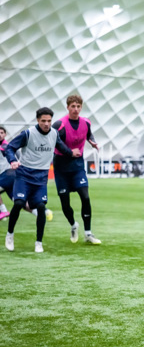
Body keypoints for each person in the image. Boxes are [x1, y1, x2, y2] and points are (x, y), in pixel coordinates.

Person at [5, 108, 81, 253]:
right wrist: (13, 160)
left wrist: (71, 152)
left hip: (41, 178)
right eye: (43, 121)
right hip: (24, 175)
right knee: (19, 203)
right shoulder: (28, 133)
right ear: (37, 120)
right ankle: (10, 235)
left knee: (41, 207)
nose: (46, 124)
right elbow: (10, 148)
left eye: (49, 121)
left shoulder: (54, 134)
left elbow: (61, 146)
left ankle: (38, 242)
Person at [52, 95, 101, 245]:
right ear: (67, 107)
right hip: (61, 167)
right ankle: (73, 225)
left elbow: (88, 133)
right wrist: (69, 152)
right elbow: (55, 142)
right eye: (73, 106)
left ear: (81, 107)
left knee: (85, 197)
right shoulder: (59, 125)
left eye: (78, 106)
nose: (75, 109)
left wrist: (92, 141)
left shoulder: (86, 122)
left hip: (77, 166)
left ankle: (88, 233)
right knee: (65, 203)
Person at [0, 126, 53, 222]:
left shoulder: (4, 146)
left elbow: (8, 152)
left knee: (20, 200)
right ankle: (43, 213)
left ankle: (3, 211)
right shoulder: (9, 145)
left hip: (8, 175)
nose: (0, 135)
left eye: (1, 133)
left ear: (5, 134)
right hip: (11, 176)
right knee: (20, 202)